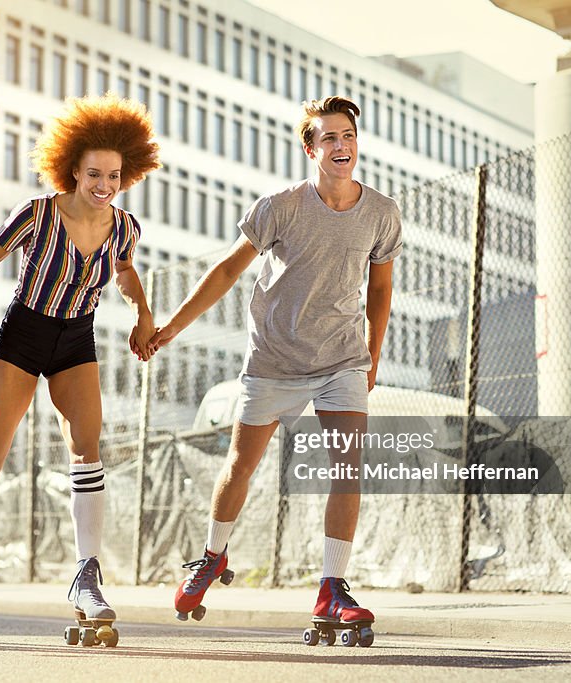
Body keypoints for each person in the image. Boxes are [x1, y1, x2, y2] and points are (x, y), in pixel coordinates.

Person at [149, 97, 401, 636]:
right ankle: (212, 556)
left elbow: (380, 289)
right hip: (275, 358)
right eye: (328, 137)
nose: (341, 145)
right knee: (242, 464)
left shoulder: (381, 212)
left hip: (342, 359)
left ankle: (332, 589)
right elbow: (225, 270)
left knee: (347, 469)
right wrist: (172, 327)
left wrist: (373, 355)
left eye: (348, 135)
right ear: (310, 149)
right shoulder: (280, 206)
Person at [0, 93, 159, 640]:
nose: (104, 184)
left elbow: (124, 272)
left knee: (87, 450)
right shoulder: (37, 213)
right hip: (25, 333)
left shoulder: (124, 226)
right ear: (72, 169)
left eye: (114, 175)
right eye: (94, 173)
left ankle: (86, 576)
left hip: (76, 336)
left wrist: (143, 311)